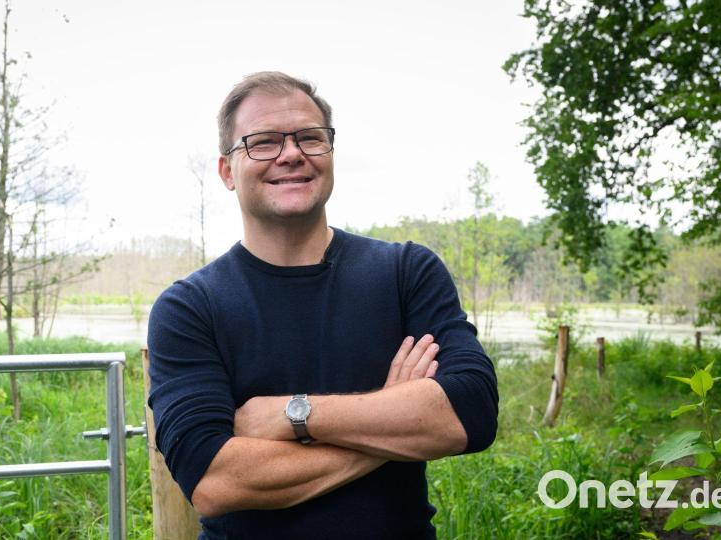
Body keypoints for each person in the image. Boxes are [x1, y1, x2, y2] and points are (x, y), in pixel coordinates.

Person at [147, 71, 498, 539]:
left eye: (310, 138)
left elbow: (469, 414)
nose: (291, 154)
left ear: (329, 152)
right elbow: (214, 480)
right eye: (264, 142)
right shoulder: (189, 307)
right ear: (227, 171)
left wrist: (290, 415)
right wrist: (394, 424)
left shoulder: (406, 272)